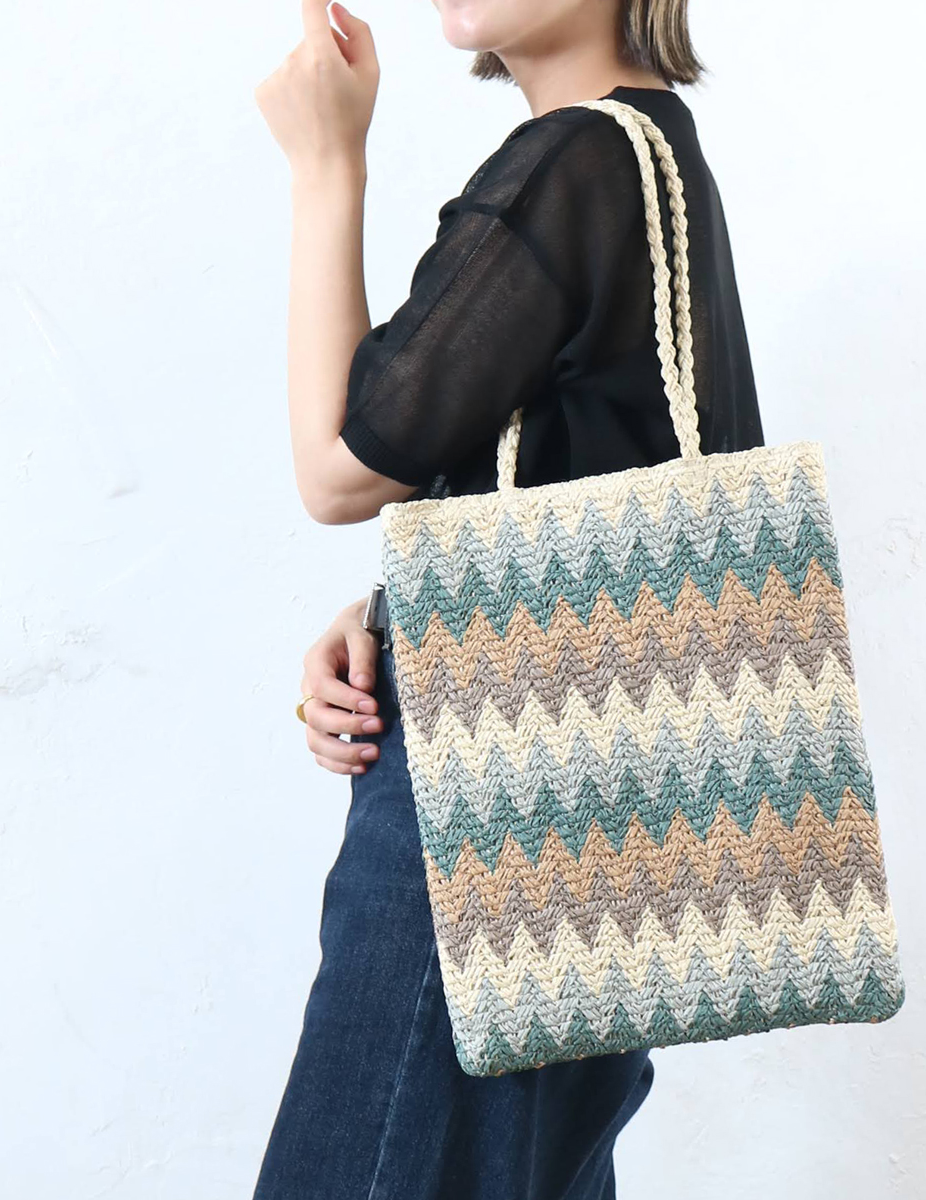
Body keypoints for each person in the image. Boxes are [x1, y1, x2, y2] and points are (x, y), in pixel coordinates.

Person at [251, 0, 763, 1196]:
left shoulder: (575, 161)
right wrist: (393, 612)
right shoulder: (659, 157)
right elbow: (598, 474)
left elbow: (337, 469)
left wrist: (328, 163)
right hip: (607, 827)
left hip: (483, 802)